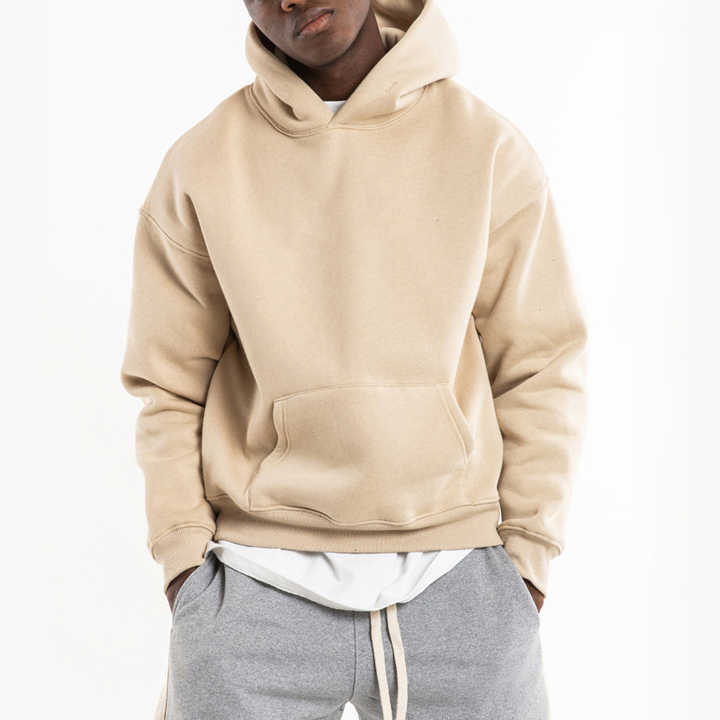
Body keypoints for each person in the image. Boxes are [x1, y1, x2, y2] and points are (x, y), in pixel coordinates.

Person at [119, 1, 588, 718]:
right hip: (254, 586)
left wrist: (527, 558)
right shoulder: (203, 163)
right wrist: (184, 563)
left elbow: (541, 362)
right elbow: (168, 384)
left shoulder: (486, 148)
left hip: (460, 581)